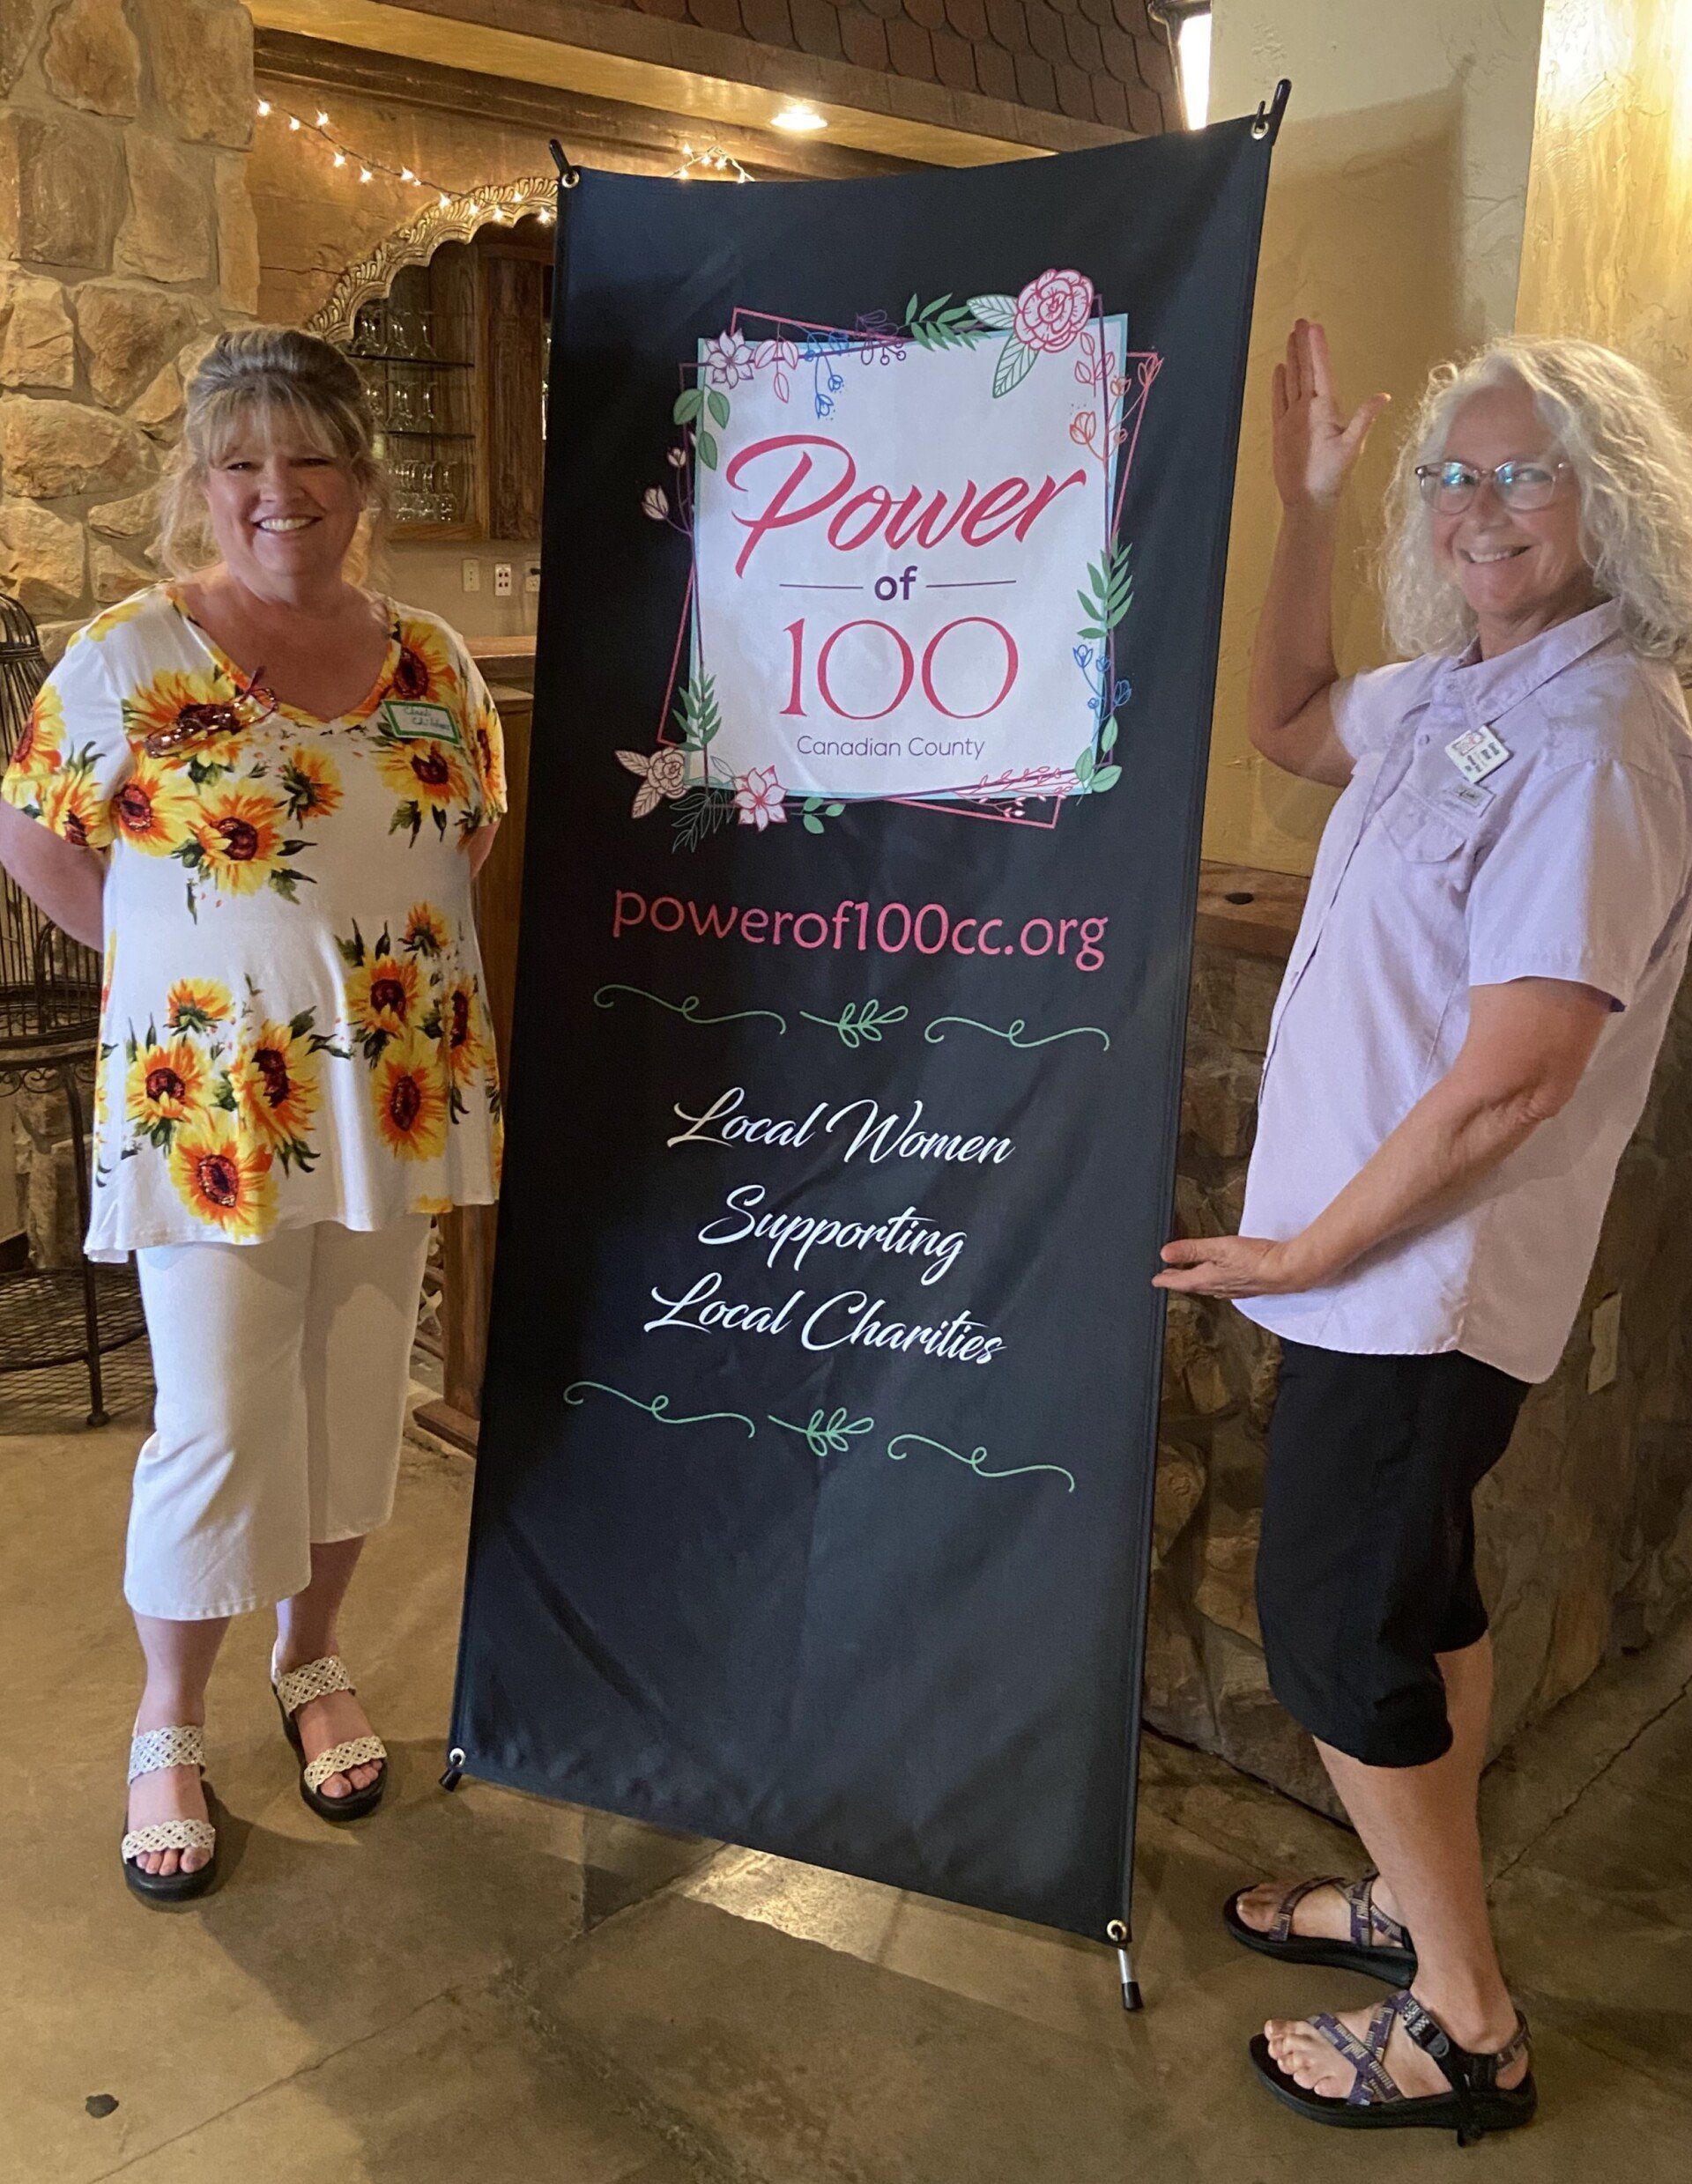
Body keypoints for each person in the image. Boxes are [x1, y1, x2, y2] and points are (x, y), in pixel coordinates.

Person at [1155, 322, 1692, 2140]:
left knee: (1328, 1634)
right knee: (1422, 1592)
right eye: (1450, 473)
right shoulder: (1475, 689)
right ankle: (1413, 1902)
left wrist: (1305, 1255)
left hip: (1419, 1284)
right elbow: (1292, 718)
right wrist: (1303, 507)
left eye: (1521, 469)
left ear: (1605, 497)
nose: (1478, 507)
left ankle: (1467, 2022)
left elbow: (1517, 1075)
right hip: (1377, 1272)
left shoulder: (1606, 731)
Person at [0, 328, 508, 1904]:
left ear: (360, 479)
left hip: (396, 1091)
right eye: (242, 464)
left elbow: (461, 841)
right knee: (220, 1421)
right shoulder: (129, 658)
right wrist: (183, 975)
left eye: (310, 461)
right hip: (219, 1109)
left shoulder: (434, 657)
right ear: (201, 486)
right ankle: (169, 1722)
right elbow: (38, 846)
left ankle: (312, 1656)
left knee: (355, 1391)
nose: (277, 492)